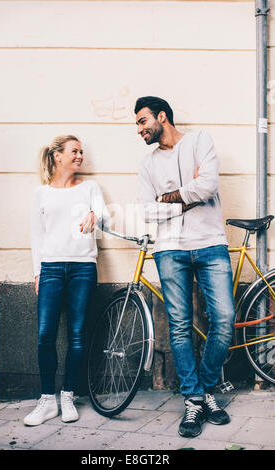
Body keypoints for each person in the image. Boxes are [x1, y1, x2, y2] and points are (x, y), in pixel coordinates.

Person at [135, 96, 236, 438]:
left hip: (209, 242)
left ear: (162, 116)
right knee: (179, 327)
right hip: (169, 249)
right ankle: (194, 399)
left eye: (142, 121)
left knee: (223, 319)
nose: (139, 130)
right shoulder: (147, 165)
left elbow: (208, 185)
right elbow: (146, 211)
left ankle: (208, 389)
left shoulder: (199, 141)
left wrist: (167, 197)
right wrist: (187, 193)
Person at [24, 135, 110, 426]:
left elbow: (106, 220)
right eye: (74, 151)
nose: (80, 156)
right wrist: (38, 272)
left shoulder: (89, 188)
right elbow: (37, 236)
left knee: (77, 335)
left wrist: (93, 213)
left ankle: (68, 394)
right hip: (50, 269)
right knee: (45, 334)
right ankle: (47, 399)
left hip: (83, 268)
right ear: (58, 156)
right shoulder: (41, 193)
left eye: (82, 151)